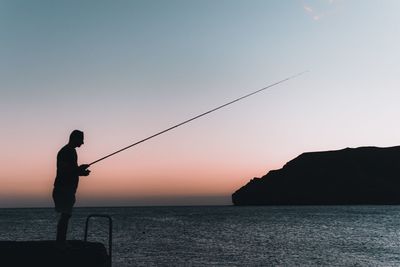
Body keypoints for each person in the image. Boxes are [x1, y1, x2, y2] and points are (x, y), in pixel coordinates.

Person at [53, 130, 91, 245]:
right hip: (63, 189)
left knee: (66, 215)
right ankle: (61, 243)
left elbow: (71, 171)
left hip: (67, 189)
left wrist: (81, 172)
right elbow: (65, 170)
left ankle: (61, 241)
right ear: (74, 138)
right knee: (65, 215)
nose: (83, 142)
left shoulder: (71, 151)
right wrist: (79, 169)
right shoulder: (66, 151)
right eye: (81, 139)